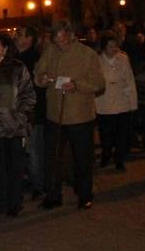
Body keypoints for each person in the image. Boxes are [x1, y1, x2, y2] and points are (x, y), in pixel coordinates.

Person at [34, 19, 105, 210]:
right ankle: (53, 194)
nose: (60, 44)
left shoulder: (87, 54)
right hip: (55, 115)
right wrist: (42, 78)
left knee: (82, 157)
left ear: (71, 35)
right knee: (52, 157)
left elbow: (99, 83)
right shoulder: (50, 52)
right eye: (57, 41)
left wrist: (77, 85)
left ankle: (84, 194)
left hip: (80, 116)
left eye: (63, 40)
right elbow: (39, 72)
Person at [0, 33, 35, 217]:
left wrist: (20, 117)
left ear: (5, 48)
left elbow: (28, 94)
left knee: (14, 166)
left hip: (12, 126)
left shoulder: (17, 68)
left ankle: (14, 202)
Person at [95, 32, 138, 171]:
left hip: (121, 99)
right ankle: (106, 154)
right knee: (106, 132)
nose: (113, 49)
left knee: (121, 133)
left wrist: (132, 102)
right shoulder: (97, 60)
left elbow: (130, 80)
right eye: (110, 46)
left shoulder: (123, 59)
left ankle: (120, 159)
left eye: (115, 46)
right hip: (104, 101)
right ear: (104, 47)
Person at [14, 25, 47, 200]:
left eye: (19, 35)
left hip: (33, 113)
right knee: (25, 150)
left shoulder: (34, 59)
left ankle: (38, 185)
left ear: (29, 39)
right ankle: (31, 180)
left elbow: (35, 89)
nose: (16, 37)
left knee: (34, 150)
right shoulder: (15, 58)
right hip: (20, 113)